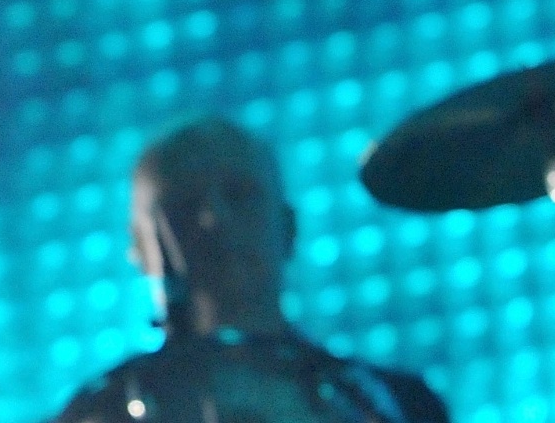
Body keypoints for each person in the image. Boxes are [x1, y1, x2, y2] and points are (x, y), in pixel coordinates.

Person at [49, 118, 449, 423]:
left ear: (288, 228)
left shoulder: (398, 405)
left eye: (240, 196)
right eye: (184, 207)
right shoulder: (97, 413)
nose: (214, 220)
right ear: (139, 249)